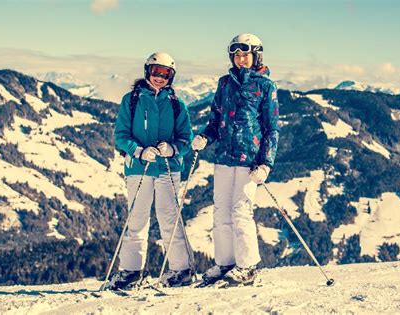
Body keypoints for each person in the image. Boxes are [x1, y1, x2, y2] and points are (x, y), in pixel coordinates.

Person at [192, 33, 280, 286]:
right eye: (237, 55)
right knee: (221, 212)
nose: (241, 60)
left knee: (241, 211)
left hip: (249, 160)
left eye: (246, 55)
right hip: (224, 158)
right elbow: (215, 119)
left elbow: (271, 128)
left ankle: (248, 265)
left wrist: (266, 163)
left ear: (256, 56)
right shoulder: (224, 83)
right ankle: (226, 262)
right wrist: (206, 138)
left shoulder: (265, 86)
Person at [110, 52, 194, 290]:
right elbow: (121, 135)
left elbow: (185, 139)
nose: (159, 77)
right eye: (156, 71)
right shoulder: (132, 100)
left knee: (169, 218)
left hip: (168, 168)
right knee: (137, 219)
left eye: (165, 73)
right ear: (147, 71)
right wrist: (137, 151)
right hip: (139, 168)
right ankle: (130, 271)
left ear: (171, 77)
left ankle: (181, 269)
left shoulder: (177, 105)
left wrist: (173, 149)